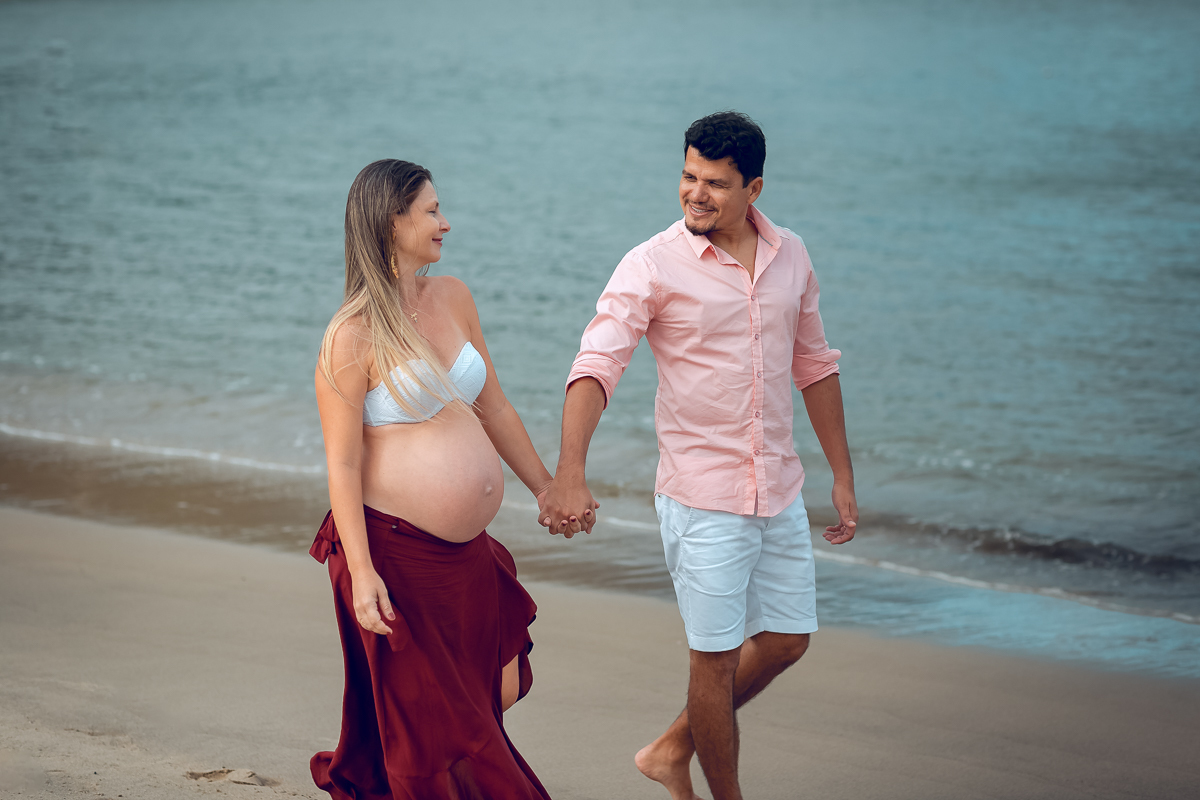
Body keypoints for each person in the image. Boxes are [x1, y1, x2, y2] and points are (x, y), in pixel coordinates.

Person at [540, 112, 859, 800]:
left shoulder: (792, 255)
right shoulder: (653, 264)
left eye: (715, 183)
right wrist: (570, 472)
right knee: (713, 662)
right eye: (689, 176)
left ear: (754, 189)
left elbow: (814, 365)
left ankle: (670, 750)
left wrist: (842, 474)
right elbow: (597, 365)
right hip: (701, 497)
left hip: (778, 487)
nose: (696, 193)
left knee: (789, 638)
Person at [310, 159, 560, 800]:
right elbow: (343, 465)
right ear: (392, 222)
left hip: (465, 555)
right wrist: (362, 573)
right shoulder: (351, 335)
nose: (445, 223)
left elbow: (493, 406)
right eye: (431, 211)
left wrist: (546, 487)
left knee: (498, 685)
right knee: (442, 729)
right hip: (396, 555)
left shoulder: (452, 296)